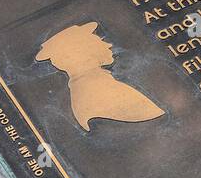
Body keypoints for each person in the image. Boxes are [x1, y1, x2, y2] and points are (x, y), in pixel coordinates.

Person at [35, 21, 165, 132]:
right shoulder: (97, 89)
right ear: (80, 52)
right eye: (97, 40)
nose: (108, 45)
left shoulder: (89, 84)